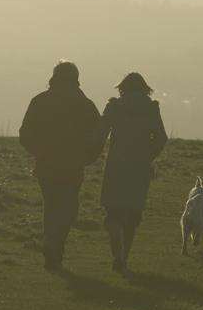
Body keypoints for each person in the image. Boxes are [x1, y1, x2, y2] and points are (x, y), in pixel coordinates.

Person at [20, 61, 104, 271]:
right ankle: (56, 245)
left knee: (51, 206)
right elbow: (98, 136)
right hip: (73, 166)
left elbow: (25, 134)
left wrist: (39, 152)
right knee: (69, 208)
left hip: (46, 166)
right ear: (76, 78)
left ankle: (51, 244)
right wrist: (88, 158)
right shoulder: (85, 105)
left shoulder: (40, 101)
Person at [100, 72, 168, 275]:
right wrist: (149, 155)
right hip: (139, 167)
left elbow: (101, 131)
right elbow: (161, 138)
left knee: (113, 212)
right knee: (133, 214)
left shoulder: (114, 106)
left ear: (122, 88)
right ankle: (124, 258)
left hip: (115, 166)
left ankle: (116, 250)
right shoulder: (151, 108)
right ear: (144, 89)